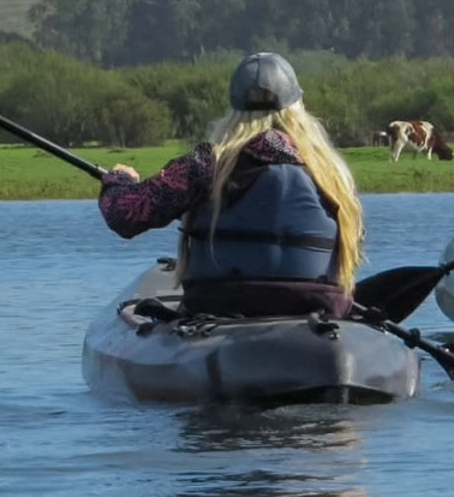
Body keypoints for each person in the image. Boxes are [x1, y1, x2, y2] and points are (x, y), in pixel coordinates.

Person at [97, 51, 365, 317]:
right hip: (318, 306)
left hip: (221, 305)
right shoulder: (331, 172)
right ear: (297, 105)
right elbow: (355, 242)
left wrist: (119, 180)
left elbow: (125, 214)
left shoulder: (207, 164)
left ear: (234, 110)